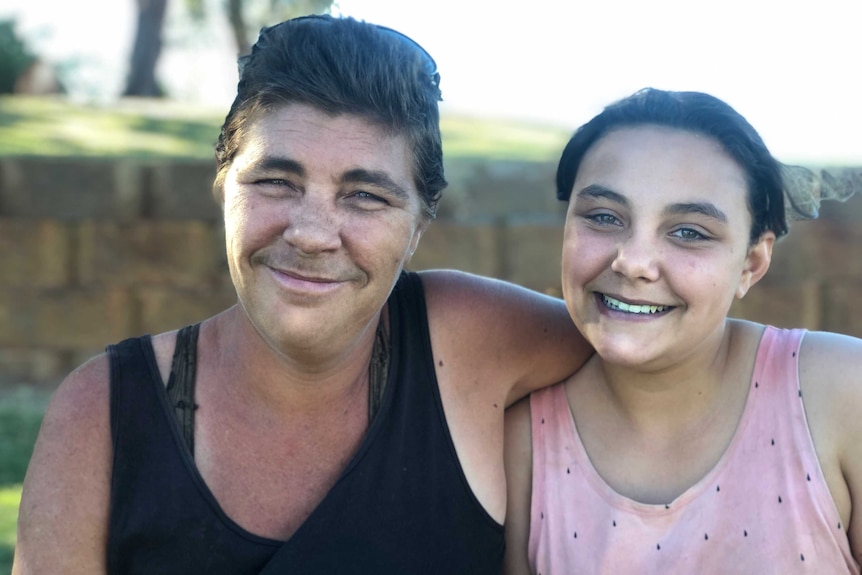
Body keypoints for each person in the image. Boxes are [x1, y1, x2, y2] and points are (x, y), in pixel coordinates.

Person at [12, 15, 593, 575]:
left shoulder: (475, 340)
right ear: (223, 189)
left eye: (366, 196)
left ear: (418, 227)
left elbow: (653, 346)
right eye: (275, 182)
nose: (312, 234)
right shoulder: (104, 412)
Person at [503, 88, 862, 574]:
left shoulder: (840, 394)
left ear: (751, 265)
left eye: (689, 232)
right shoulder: (520, 438)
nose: (632, 262)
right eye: (604, 217)